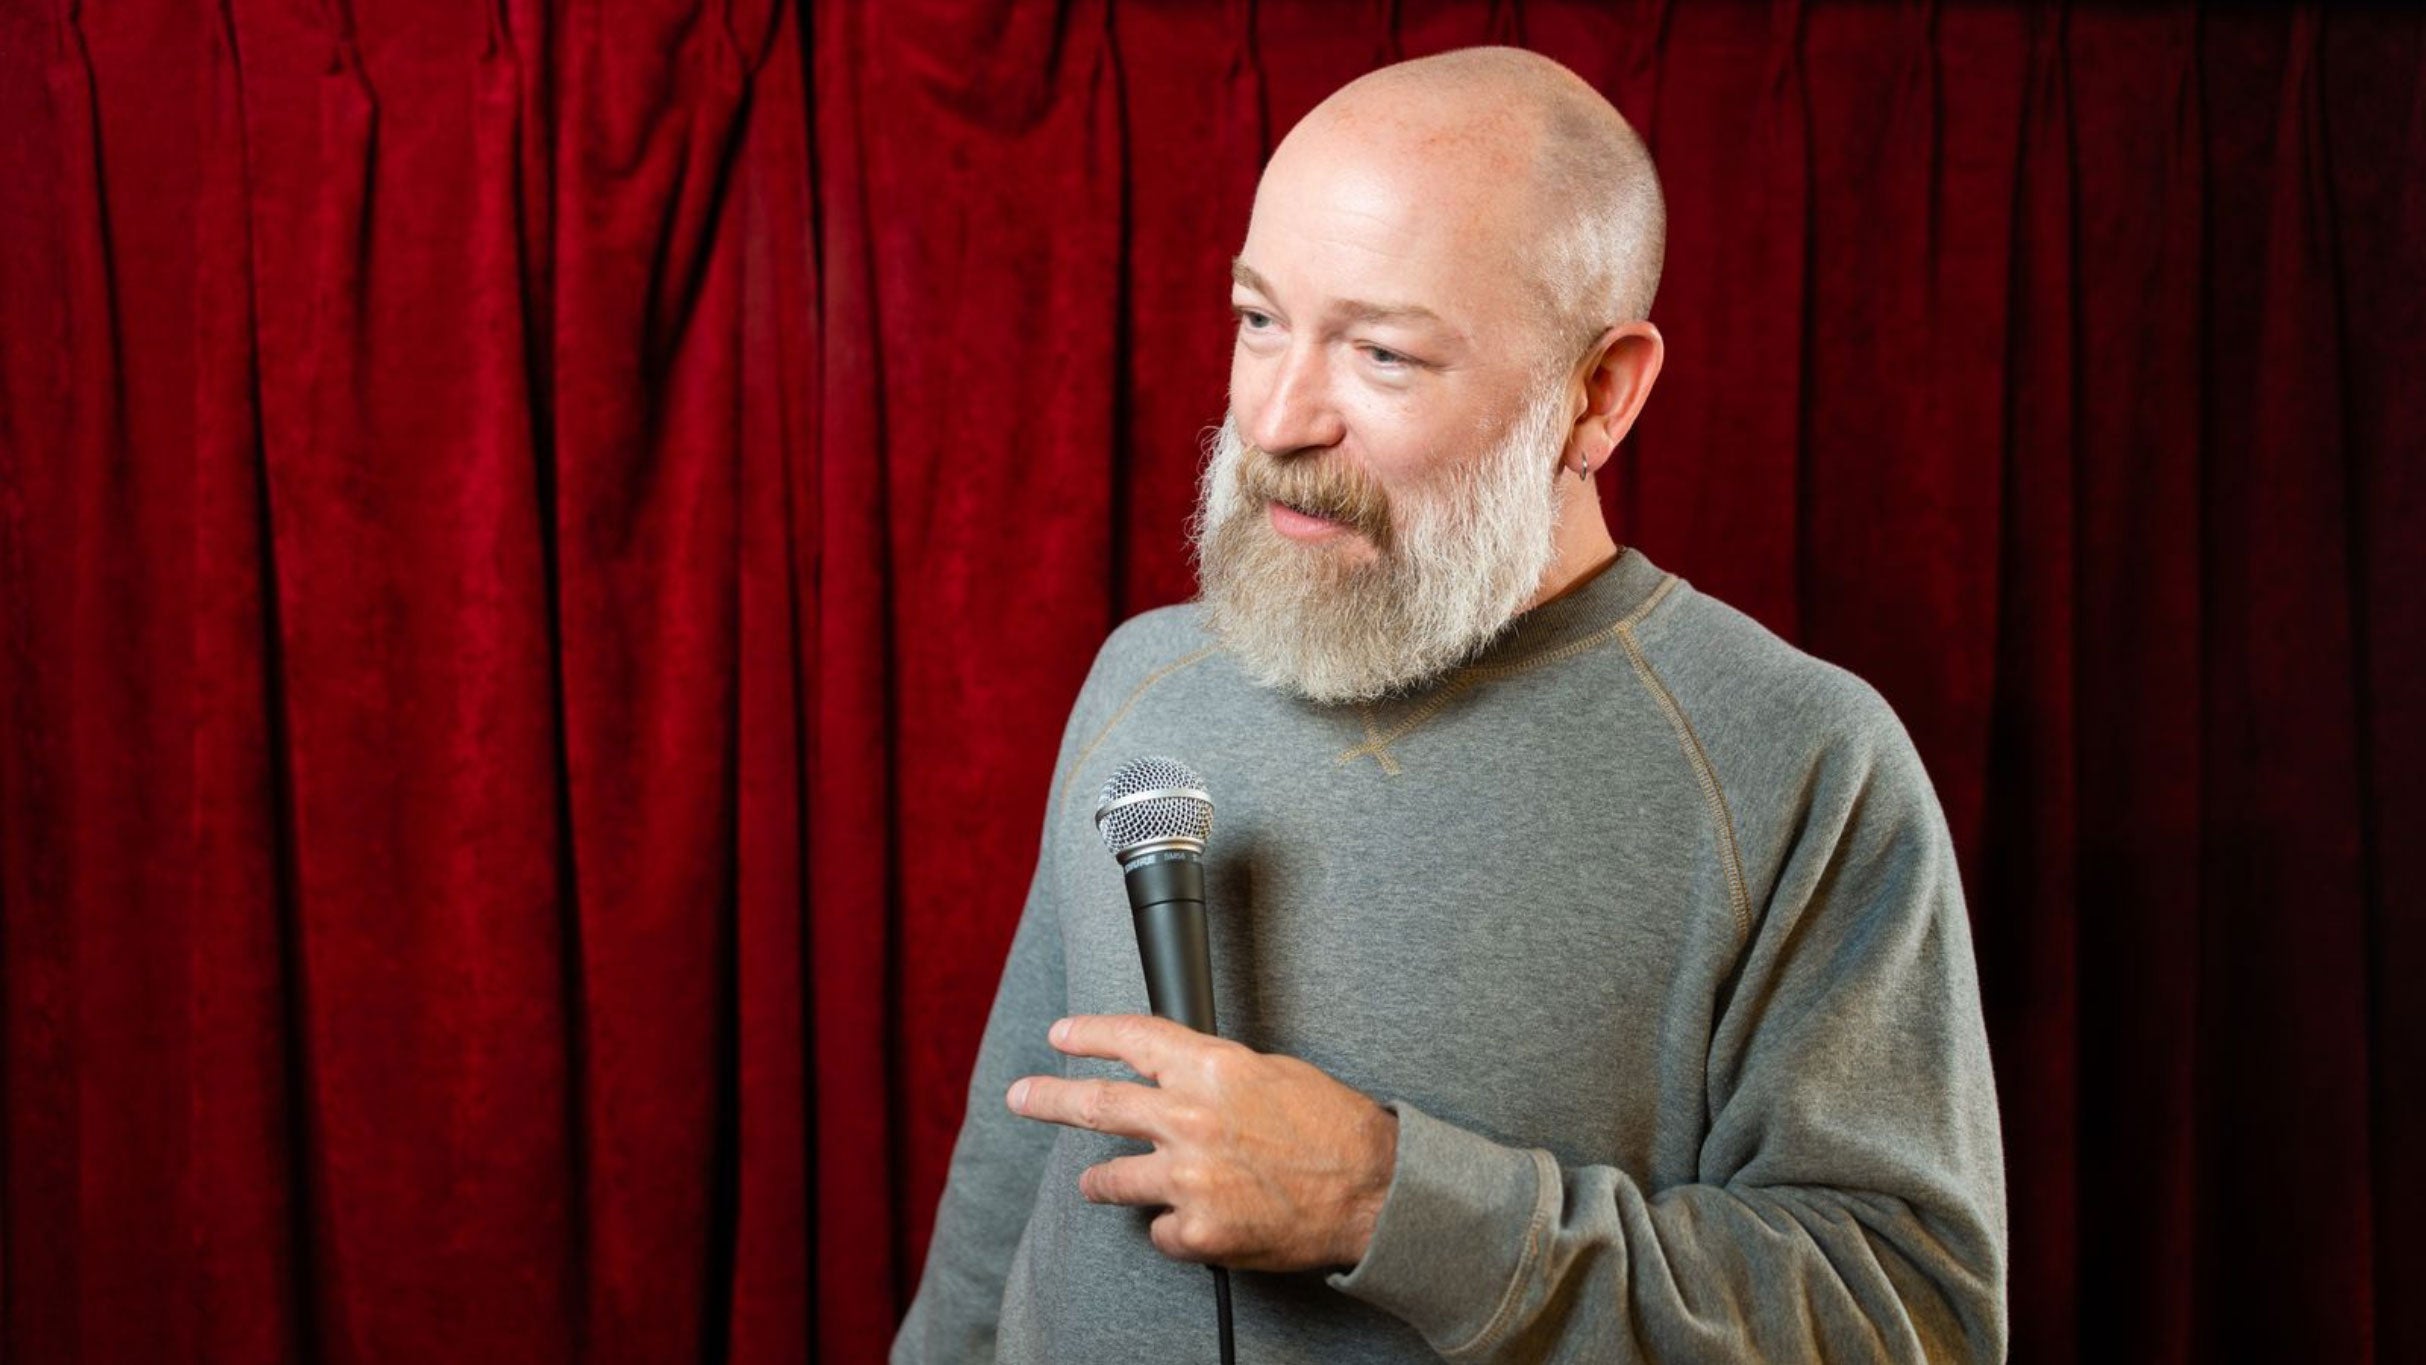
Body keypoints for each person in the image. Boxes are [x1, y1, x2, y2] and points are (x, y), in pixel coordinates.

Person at [892, 45, 2007, 1364]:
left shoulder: (1800, 762)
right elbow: (1012, 1181)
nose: (1276, 419)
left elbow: (1913, 1315)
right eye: (1258, 319)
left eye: (1382, 352)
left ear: (1598, 393)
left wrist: (1386, 1200)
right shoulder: (1144, 677)